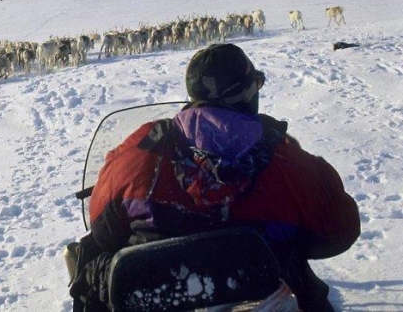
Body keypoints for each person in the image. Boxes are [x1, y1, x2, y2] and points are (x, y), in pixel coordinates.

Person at [67, 43, 361, 311]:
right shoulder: (284, 161)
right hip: (257, 288)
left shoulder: (141, 151)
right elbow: (341, 229)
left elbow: (103, 228)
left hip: (158, 294)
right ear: (247, 95)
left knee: (93, 261)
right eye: (255, 85)